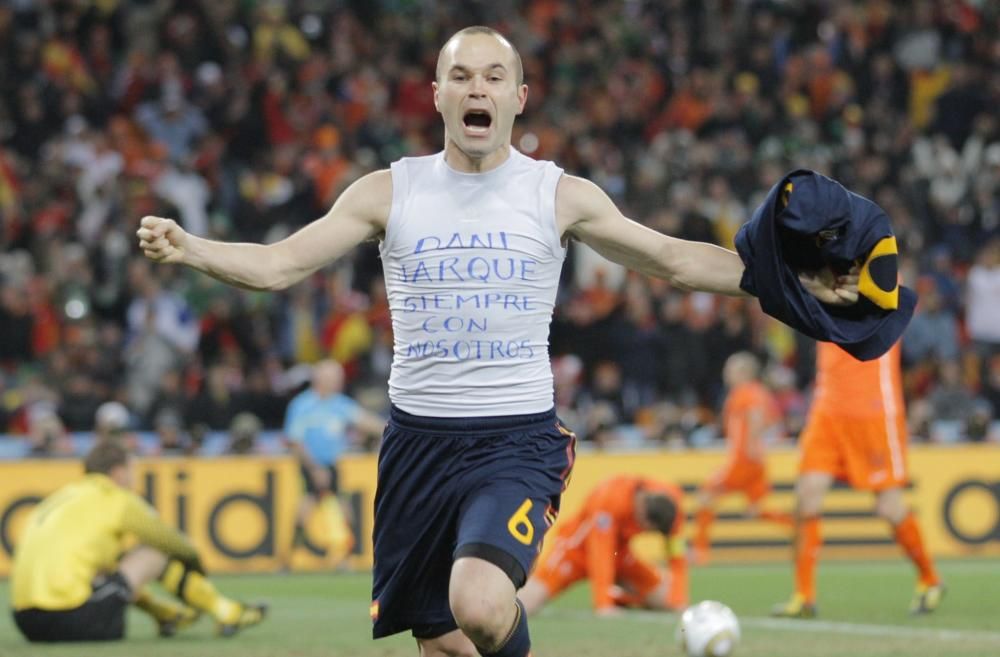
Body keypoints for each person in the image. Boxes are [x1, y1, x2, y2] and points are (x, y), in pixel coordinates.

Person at [138, 26, 857, 657]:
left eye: (492, 75)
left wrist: (792, 284)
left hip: (514, 440)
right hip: (416, 443)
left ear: (518, 96)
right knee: (444, 641)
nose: (475, 87)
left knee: (478, 603)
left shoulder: (557, 194)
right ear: (437, 96)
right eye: (460, 75)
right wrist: (190, 248)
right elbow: (278, 265)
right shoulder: (388, 191)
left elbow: (671, 257)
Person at [9, 441, 266, 642]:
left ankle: (166, 615)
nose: (133, 477)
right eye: (132, 470)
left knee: (109, 569)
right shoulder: (116, 498)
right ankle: (227, 612)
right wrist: (197, 565)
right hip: (72, 619)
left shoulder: (60, 498)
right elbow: (173, 542)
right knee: (153, 553)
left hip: (25, 622)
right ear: (118, 472)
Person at [772, 341, 944, 618]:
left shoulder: (890, 296)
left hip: (872, 408)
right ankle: (804, 596)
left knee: (888, 506)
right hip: (828, 407)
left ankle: (930, 579)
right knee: (806, 497)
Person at [518, 475, 688, 617]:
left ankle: (620, 596)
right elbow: (600, 553)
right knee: (526, 604)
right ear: (642, 510)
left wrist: (679, 599)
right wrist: (603, 604)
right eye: (646, 528)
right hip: (576, 551)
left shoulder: (673, 506)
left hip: (618, 554)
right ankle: (612, 596)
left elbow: (677, 555)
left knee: (667, 599)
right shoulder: (611, 498)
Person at [693, 352, 792, 564]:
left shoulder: (746, 392)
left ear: (744, 372)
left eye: (730, 369)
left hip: (743, 460)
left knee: (705, 498)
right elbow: (771, 420)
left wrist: (750, 443)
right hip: (754, 460)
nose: (725, 373)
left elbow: (756, 416)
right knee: (756, 510)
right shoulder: (759, 392)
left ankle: (700, 551)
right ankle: (801, 531)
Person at [284, 359, 384, 564]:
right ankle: (289, 557)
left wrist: (395, 429)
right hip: (310, 463)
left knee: (342, 506)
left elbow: (365, 420)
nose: (339, 382)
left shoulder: (339, 404)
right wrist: (313, 468)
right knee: (307, 506)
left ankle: (346, 555)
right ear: (320, 379)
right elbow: (294, 441)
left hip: (332, 464)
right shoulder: (302, 405)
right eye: (334, 378)